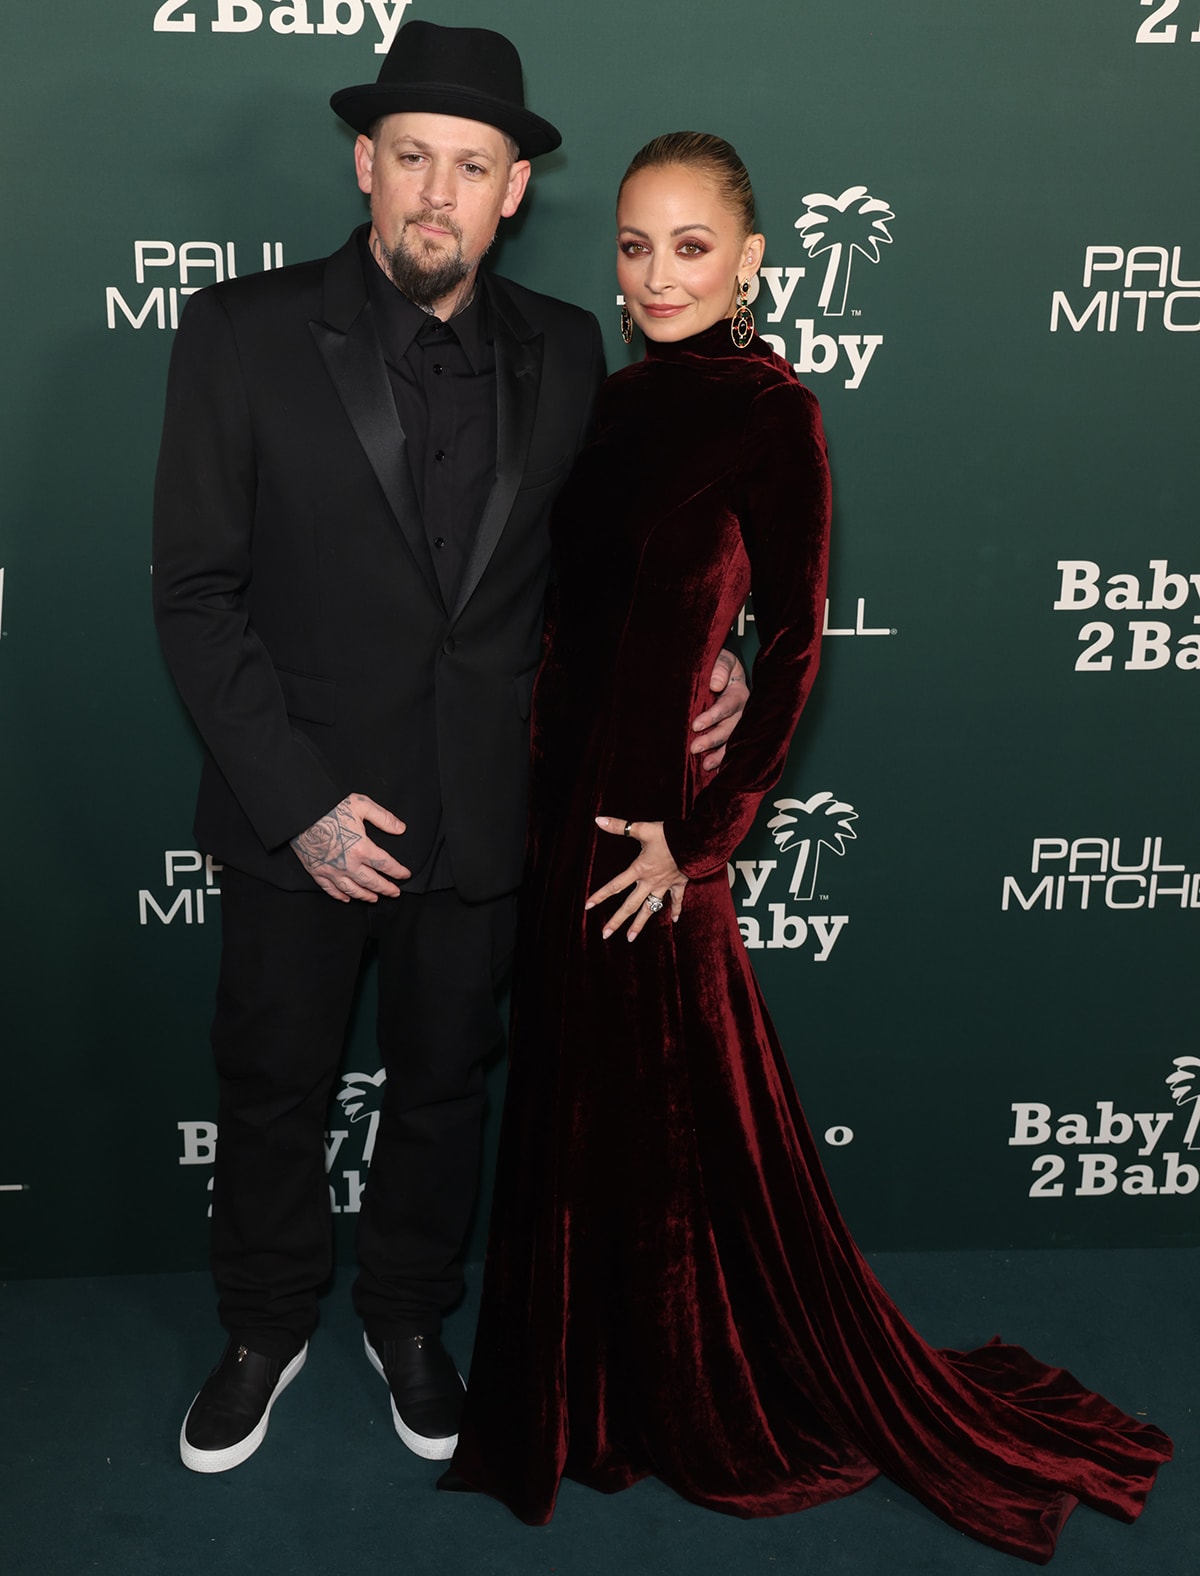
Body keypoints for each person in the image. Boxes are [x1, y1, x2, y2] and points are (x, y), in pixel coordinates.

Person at [447, 133, 1173, 1563]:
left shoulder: (775, 412)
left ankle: (692, 1394)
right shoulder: (607, 400)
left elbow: (791, 655)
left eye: (693, 245)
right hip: (556, 814)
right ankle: (593, 1396)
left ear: (754, 259)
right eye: (637, 246)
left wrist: (704, 842)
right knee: (587, 1112)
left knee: (676, 1123)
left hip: (652, 837)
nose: (658, 273)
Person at [152, 29, 745, 1476]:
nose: (437, 189)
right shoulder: (240, 332)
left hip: (487, 806)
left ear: (515, 191)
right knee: (275, 1083)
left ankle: (410, 1313)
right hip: (297, 811)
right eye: (411, 155)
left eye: (472, 166)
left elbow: (607, 568)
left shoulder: (568, 346)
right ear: (365, 163)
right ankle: (264, 1321)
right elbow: (195, 594)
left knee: (441, 1088)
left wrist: (707, 655)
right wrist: (297, 807)